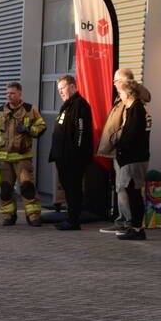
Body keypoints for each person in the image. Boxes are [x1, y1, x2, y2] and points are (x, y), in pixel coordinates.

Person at [97, 68, 152, 233]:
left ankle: (130, 224)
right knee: (123, 188)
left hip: (129, 156)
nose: (114, 84)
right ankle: (125, 222)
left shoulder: (136, 106)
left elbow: (130, 132)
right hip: (123, 153)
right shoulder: (127, 103)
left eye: (116, 80)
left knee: (129, 190)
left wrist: (117, 142)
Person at [0, 82, 46, 226]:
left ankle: (33, 216)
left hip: (22, 157)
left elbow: (42, 126)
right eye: (7, 93)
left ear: (20, 94)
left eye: (12, 93)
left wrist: (29, 130)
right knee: (6, 188)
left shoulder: (30, 109)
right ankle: (8, 216)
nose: (9, 96)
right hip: (4, 158)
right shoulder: (0, 111)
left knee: (27, 187)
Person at [48, 74, 93, 230]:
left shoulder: (80, 105)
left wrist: (76, 154)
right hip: (62, 157)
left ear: (73, 87)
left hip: (73, 158)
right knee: (68, 189)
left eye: (63, 88)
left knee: (74, 189)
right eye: (58, 89)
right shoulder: (67, 105)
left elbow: (81, 132)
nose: (60, 92)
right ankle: (70, 217)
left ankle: (74, 221)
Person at [113, 79, 150, 240]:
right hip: (131, 158)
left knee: (134, 193)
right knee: (131, 191)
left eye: (120, 92)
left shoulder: (137, 109)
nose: (119, 96)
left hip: (134, 159)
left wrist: (120, 147)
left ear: (128, 94)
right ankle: (135, 226)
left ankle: (137, 228)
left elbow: (132, 135)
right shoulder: (132, 109)